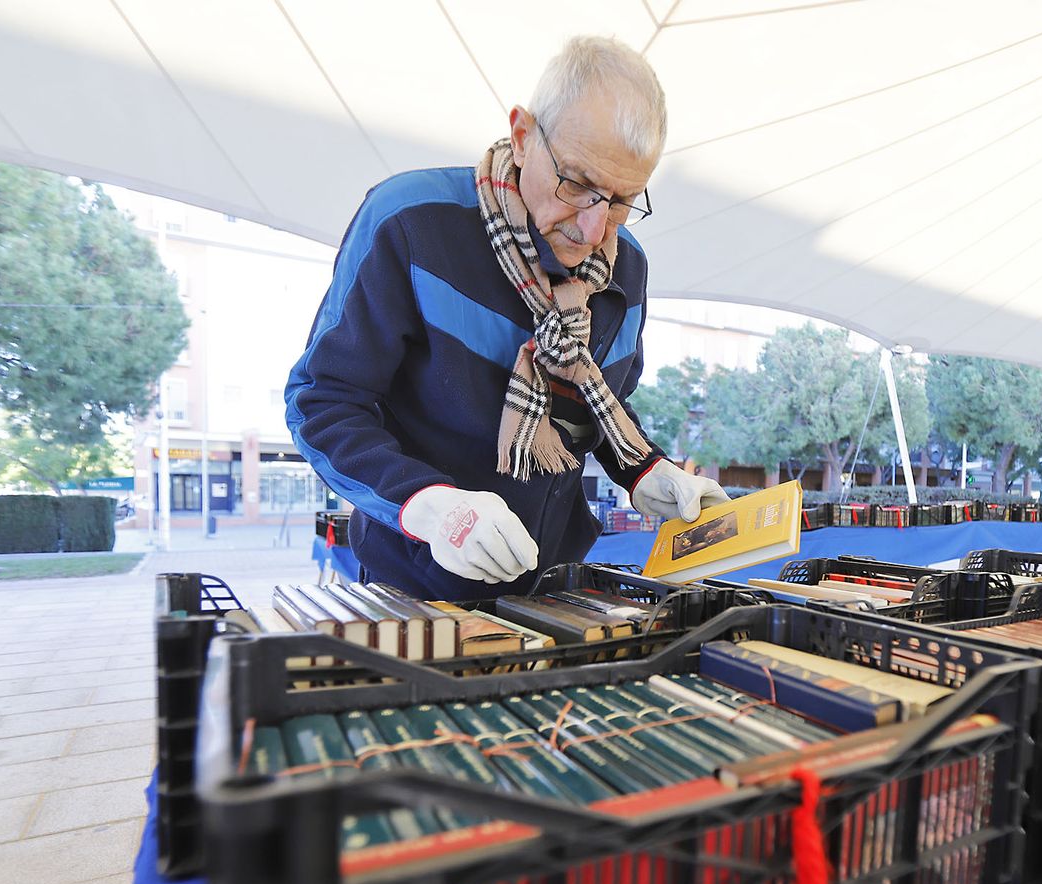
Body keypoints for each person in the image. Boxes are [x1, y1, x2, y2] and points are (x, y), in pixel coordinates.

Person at [286, 36, 725, 600]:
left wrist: (644, 470)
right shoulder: (410, 225)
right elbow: (321, 401)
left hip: (556, 592)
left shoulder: (628, 269)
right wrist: (430, 507)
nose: (593, 231)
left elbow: (598, 404)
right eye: (578, 184)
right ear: (522, 136)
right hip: (413, 589)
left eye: (621, 200)